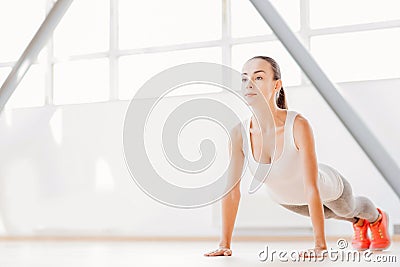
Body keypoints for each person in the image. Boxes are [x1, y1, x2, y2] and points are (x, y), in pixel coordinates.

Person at [204, 56, 390, 257]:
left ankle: (376, 217)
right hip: (288, 200)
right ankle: (359, 223)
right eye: (244, 79)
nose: (249, 84)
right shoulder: (238, 134)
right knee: (331, 215)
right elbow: (231, 192)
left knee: (348, 208)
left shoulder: (298, 124)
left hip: (327, 187)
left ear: (277, 85)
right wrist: (225, 244)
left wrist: (320, 246)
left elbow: (311, 186)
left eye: (258, 78)